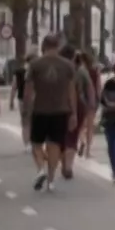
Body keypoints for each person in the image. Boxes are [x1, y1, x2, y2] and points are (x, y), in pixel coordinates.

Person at [23, 36, 79, 192]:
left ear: (43, 46)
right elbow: (71, 91)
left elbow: (28, 91)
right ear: (58, 46)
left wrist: (27, 110)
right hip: (61, 110)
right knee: (54, 145)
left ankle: (40, 168)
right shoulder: (68, 65)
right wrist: (73, 113)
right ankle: (51, 180)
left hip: (40, 109)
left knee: (36, 143)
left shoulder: (35, 64)